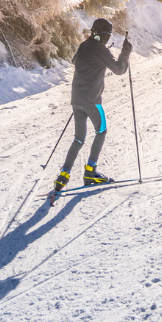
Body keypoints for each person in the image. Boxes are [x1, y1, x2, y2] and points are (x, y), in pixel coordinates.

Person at [54, 18, 132, 192]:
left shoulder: (84, 45)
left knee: (79, 138)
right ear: (104, 35)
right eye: (108, 35)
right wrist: (125, 52)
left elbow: (76, 60)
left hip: (76, 100)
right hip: (92, 101)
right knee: (101, 130)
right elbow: (119, 69)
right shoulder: (100, 49)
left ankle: (63, 176)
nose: (107, 38)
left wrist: (101, 56)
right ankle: (91, 172)